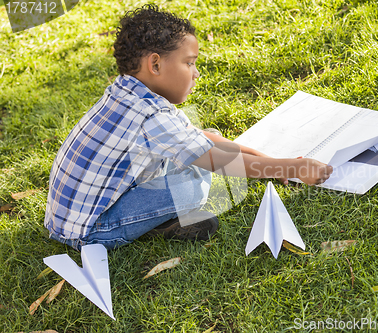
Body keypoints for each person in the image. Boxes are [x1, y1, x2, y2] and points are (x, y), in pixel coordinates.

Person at [44, 4, 333, 251]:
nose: (196, 74)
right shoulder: (151, 116)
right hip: (90, 231)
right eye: (189, 63)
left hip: (69, 216)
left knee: (210, 141)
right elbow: (218, 162)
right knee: (194, 186)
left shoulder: (127, 92)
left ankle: (157, 220)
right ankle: (155, 224)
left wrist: (270, 163)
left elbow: (206, 141)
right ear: (155, 65)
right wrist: (292, 169)